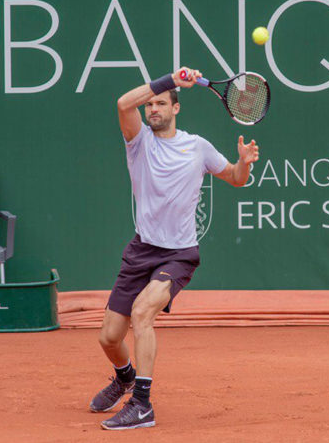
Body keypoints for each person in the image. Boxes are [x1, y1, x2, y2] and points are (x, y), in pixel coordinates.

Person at [90, 67, 260, 430]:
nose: (153, 109)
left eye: (161, 103)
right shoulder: (138, 141)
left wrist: (244, 164)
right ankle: (125, 377)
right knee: (109, 337)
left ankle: (142, 405)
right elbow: (123, 104)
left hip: (179, 253)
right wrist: (170, 80)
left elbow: (235, 178)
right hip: (141, 249)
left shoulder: (198, 147)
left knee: (142, 313)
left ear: (176, 109)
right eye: (150, 104)